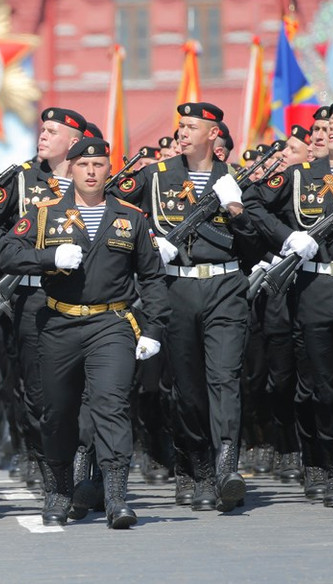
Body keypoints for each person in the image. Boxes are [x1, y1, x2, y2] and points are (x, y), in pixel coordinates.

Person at [0, 136, 169, 528]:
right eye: (83, 165)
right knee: (57, 412)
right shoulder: (44, 214)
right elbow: (6, 253)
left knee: (111, 406)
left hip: (111, 324)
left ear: (109, 170)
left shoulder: (130, 216)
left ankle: (116, 497)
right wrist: (47, 258)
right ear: (70, 169)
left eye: (99, 165)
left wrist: (153, 327)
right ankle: (58, 491)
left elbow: (153, 277)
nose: (91, 172)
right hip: (58, 323)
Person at [116, 102, 256, 513]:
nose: (182, 132)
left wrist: (236, 209)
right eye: (181, 126)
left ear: (214, 134)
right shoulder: (156, 176)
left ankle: (226, 464)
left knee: (224, 378)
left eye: (192, 127)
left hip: (226, 286)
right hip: (176, 288)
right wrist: (146, 245)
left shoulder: (232, 178)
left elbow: (255, 239)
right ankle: (196, 465)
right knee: (188, 389)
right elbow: (111, 209)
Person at [243, 100, 333, 512]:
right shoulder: (298, 176)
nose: (332, 128)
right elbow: (253, 201)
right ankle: (325, 461)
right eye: (329, 122)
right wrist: (287, 237)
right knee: (322, 385)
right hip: (313, 286)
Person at [0, 107, 87, 491]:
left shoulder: (90, 179)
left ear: (73, 142)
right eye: (42, 129)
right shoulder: (22, 179)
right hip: (33, 297)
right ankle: (44, 463)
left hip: (84, 297)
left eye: (52, 131)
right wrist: (8, 248)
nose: (42, 135)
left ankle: (83, 466)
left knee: (84, 388)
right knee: (36, 390)